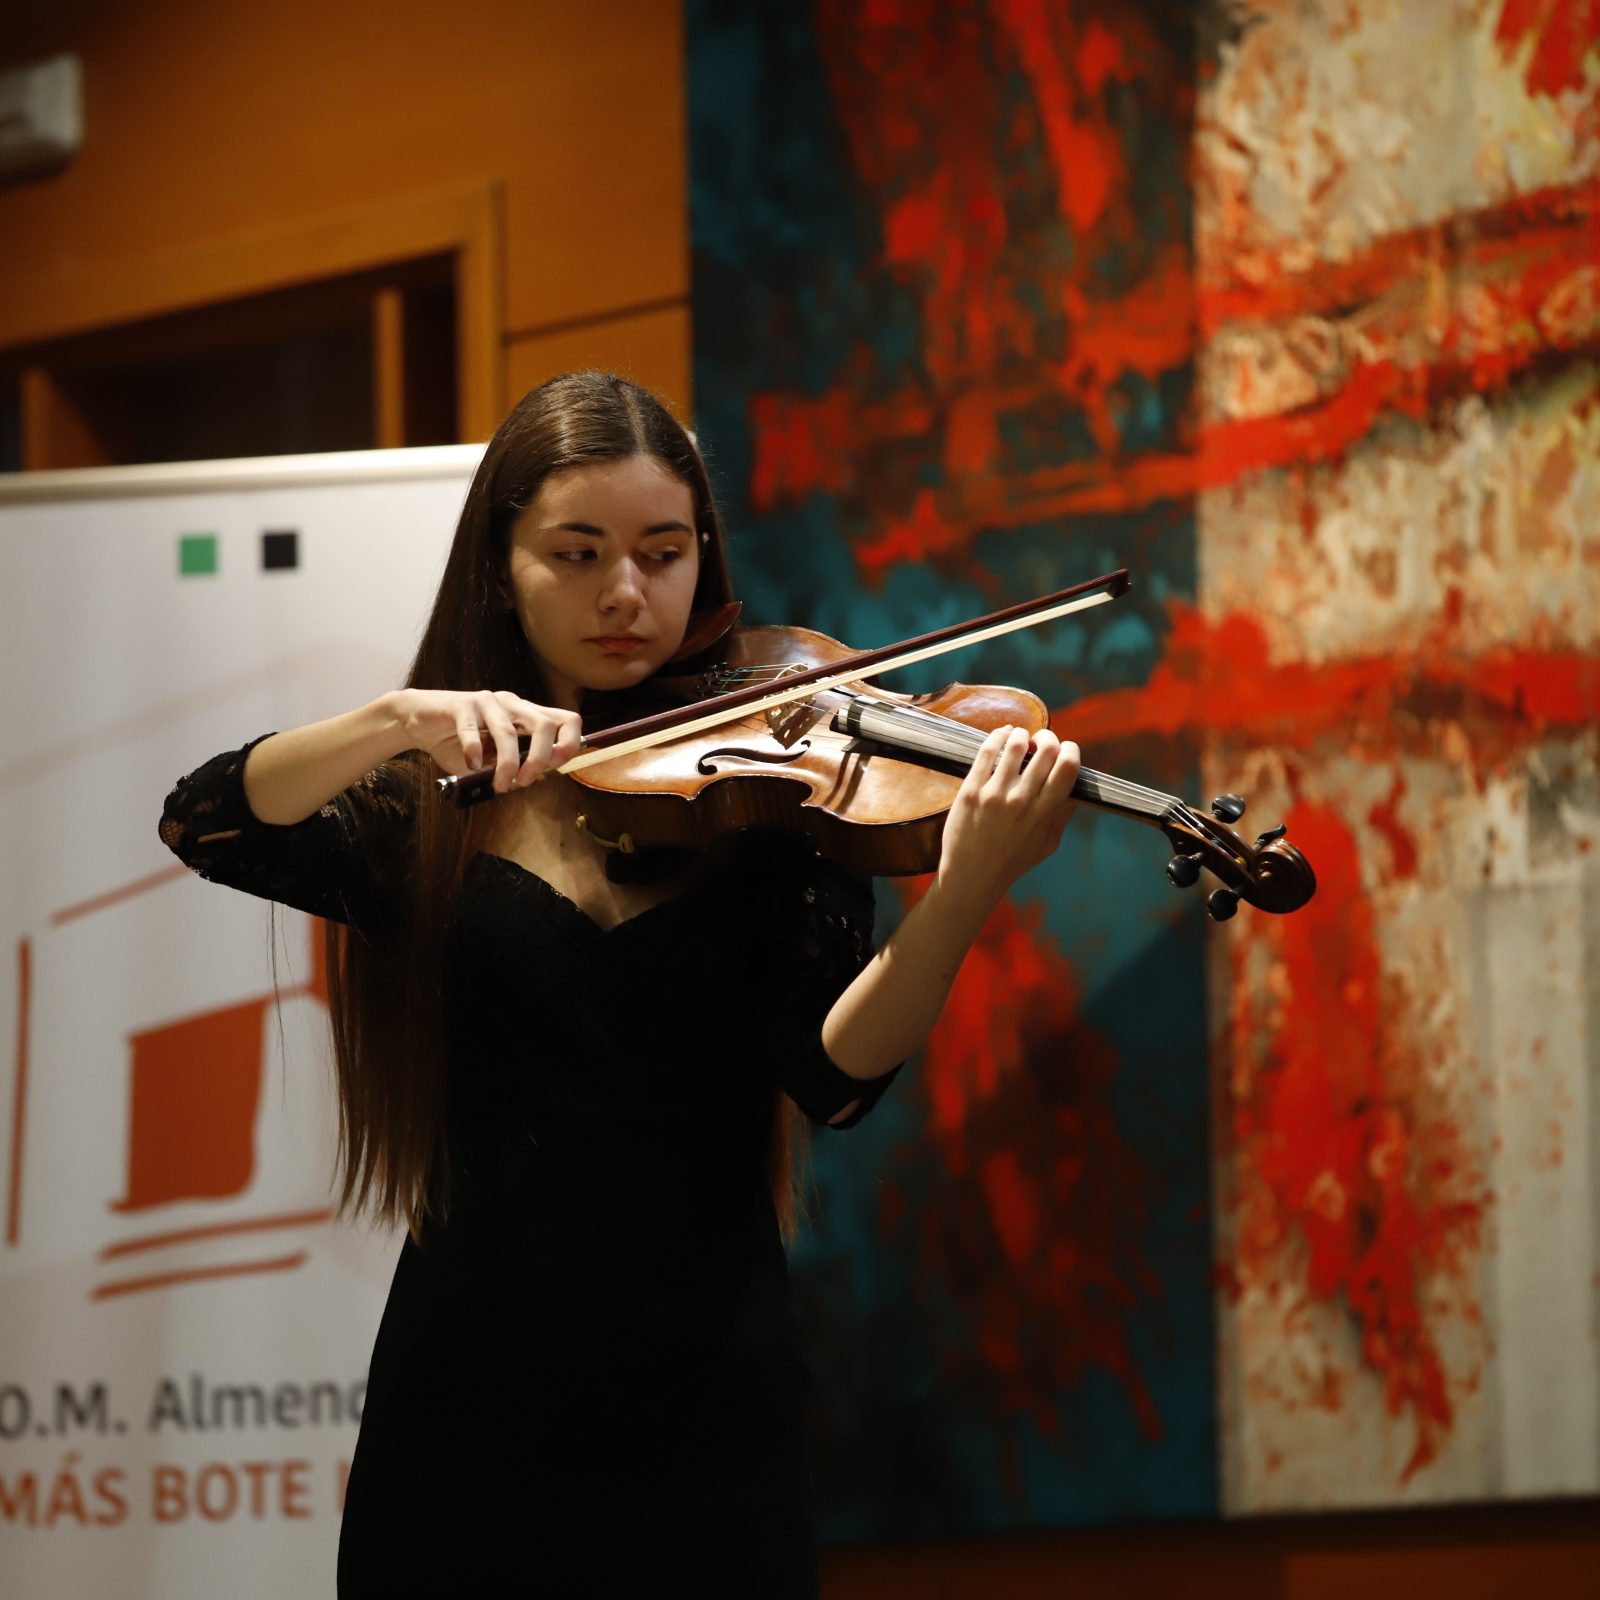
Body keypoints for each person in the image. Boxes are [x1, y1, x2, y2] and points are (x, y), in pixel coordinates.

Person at [158, 370, 1080, 1596]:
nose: (625, 594)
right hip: (467, 1401)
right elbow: (211, 821)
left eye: (663, 550)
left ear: (705, 557)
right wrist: (390, 719)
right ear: (503, 565)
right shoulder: (429, 813)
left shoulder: (777, 781)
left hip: (707, 1401)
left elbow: (833, 1076)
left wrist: (961, 890)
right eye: (577, 552)